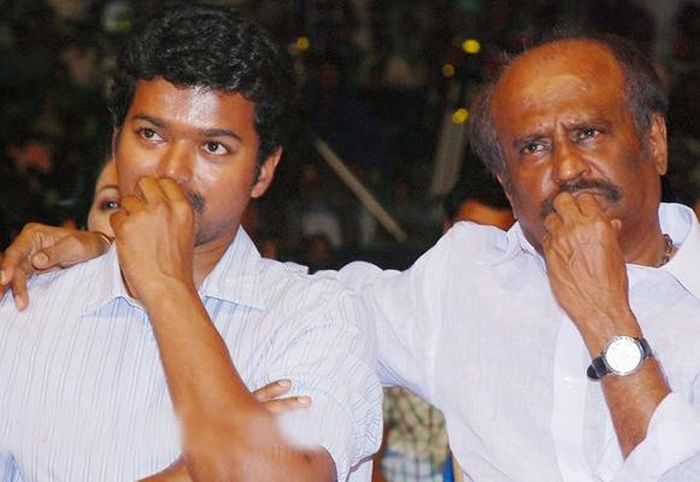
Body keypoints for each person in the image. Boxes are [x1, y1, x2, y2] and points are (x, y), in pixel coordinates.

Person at [4, 33, 700, 480]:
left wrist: (605, 317)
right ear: (504, 179)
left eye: (589, 133)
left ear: (656, 141)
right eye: (534, 148)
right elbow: (288, 296)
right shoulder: (463, 281)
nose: (567, 168)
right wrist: (110, 248)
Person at [0, 6, 381, 482]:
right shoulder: (26, 308)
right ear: (116, 143)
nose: (173, 171)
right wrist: (198, 468)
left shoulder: (315, 316)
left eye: (213, 146)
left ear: (263, 171)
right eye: (151, 134)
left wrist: (165, 284)